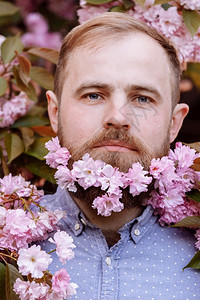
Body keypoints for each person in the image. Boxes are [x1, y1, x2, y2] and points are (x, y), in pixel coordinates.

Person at [41, 12, 200, 299]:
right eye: (93, 95)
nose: (117, 117)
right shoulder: (8, 245)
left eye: (142, 98)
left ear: (174, 124)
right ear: (54, 112)